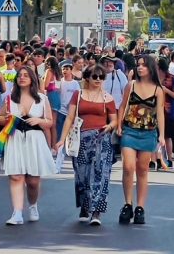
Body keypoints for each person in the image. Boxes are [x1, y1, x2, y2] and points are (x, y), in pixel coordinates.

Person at [56, 63, 117, 226]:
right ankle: (85, 205)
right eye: (95, 76)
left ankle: (97, 211)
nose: (98, 80)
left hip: (101, 138)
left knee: (100, 175)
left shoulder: (108, 98)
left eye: (101, 77)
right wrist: (61, 139)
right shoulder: (78, 94)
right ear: (87, 78)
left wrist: (109, 127)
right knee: (81, 175)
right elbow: (69, 118)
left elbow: (114, 119)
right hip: (81, 139)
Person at [2, 65, 56, 226]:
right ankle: (17, 212)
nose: (22, 78)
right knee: (16, 176)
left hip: (34, 138)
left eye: (26, 75)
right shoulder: (10, 98)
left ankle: (32, 205)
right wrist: (6, 119)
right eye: (20, 75)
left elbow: (50, 122)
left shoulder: (41, 98)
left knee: (32, 181)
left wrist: (39, 120)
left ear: (32, 78)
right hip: (15, 137)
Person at [116, 55, 164, 225]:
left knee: (142, 170)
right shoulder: (131, 85)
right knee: (128, 167)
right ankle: (127, 204)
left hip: (148, 133)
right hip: (130, 130)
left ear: (150, 68)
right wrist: (119, 125)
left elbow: (159, 113)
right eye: (138, 65)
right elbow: (123, 105)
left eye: (143, 65)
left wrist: (162, 135)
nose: (140, 68)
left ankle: (140, 207)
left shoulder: (158, 90)